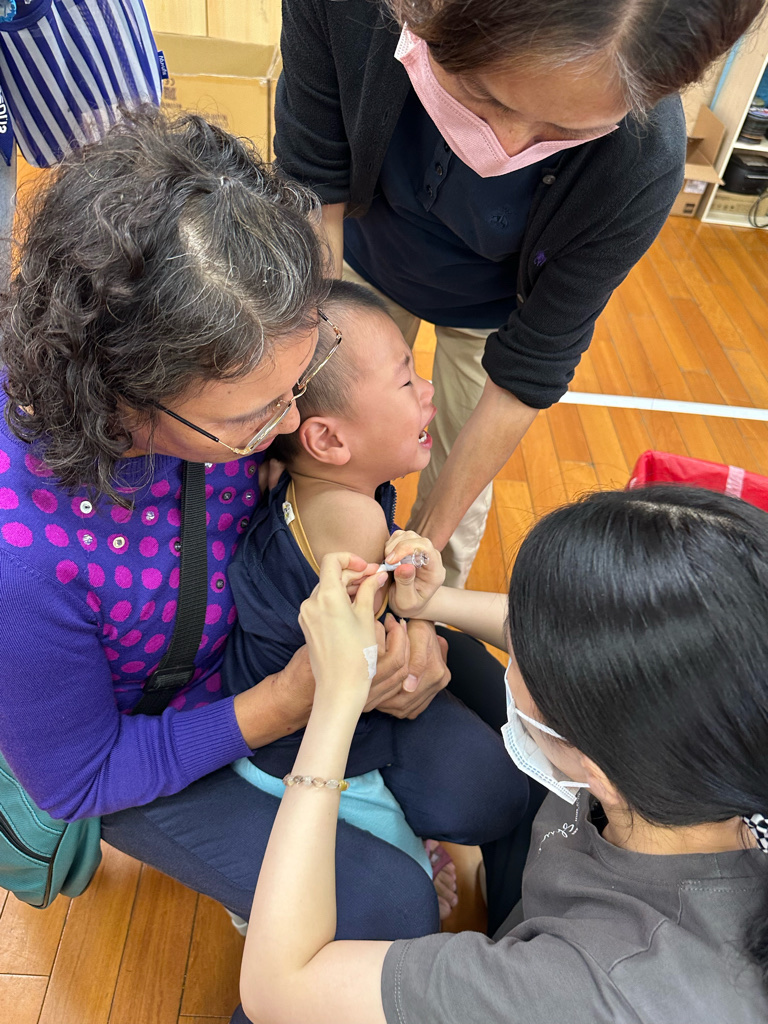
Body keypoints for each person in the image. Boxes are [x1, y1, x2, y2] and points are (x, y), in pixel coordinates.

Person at [0, 106, 502, 955]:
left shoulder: (240, 375)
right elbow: (80, 777)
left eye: (299, 384)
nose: (291, 426)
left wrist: (403, 624)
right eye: (255, 417)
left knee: (487, 786)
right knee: (386, 908)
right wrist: (291, 701)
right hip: (153, 741)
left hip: (268, 651)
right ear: (127, 396)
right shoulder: (24, 561)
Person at [275, 0, 764, 585]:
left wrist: (423, 554)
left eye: (566, 132)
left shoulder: (642, 162)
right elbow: (313, 183)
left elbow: (533, 362)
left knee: (454, 504)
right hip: (360, 258)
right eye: (484, 96)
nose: (505, 147)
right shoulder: (348, 13)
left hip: (492, 310)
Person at [238, 486, 768, 1024]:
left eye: (529, 659)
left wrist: (335, 697)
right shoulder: (723, 744)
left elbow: (278, 988)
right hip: (556, 900)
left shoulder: (593, 987)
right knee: (466, 661)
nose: (516, 649)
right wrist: (431, 604)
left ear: (601, 771)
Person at [222, 280, 528, 902]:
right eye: (406, 381)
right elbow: (385, 648)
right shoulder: (356, 521)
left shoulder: (306, 483)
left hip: (265, 701)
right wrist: (414, 592)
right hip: (300, 744)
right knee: (403, 875)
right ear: (329, 440)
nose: (428, 391)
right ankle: (259, 902)